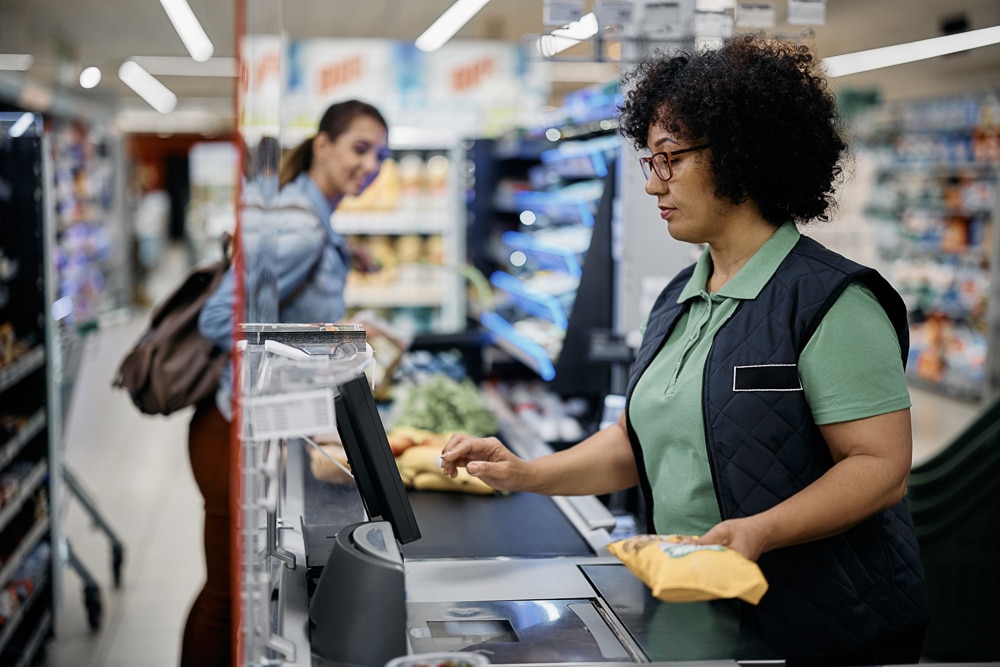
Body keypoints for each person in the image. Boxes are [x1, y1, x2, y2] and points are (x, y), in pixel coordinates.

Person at [441, 35, 929, 665]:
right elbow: (640, 439)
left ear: (740, 157)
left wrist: (762, 531)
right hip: (703, 614)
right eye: (650, 160)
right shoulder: (681, 295)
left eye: (669, 158)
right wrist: (528, 473)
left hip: (823, 626)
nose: (653, 184)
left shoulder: (832, 302)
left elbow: (879, 467)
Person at [181, 100, 389, 667]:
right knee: (225, 600)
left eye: (381, 156)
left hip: (250, 427)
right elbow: (219, 321)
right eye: (360, 148)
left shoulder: (310, 214)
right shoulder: (301, 226)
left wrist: (348, 257)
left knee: (241, 595)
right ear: (322, 144)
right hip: (231, 431)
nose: (371, 165)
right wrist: (330, 339)